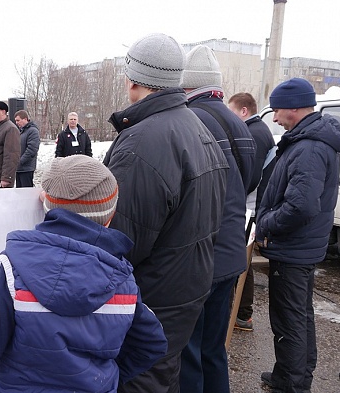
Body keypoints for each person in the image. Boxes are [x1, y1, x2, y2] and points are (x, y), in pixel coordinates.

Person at [0, 155, 168, 391]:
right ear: (110, 217)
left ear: (46, 206)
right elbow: (152, 345)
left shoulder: (12, 271)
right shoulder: (124, 283)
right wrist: (105, 379)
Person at [103, 33, 228, 393]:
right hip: (184, 289)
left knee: (140, 379)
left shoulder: (143, 141)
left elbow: (122, 241)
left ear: (133, 80)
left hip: (151, 296)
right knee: (164, 374)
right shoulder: (198, 129)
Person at [255, 78, 340, 393]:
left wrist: (266, 222)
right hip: (302, 246)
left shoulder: (308, 148)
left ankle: (292, 385)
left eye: (278, 110)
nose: (276, 118)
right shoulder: (310, 140)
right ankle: (291, 376)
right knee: (299, 316)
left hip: (293, 247)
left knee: (289, 321)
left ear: (294, 108)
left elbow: (302, 207)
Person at [179, 45, 256, 393]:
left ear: (186, 85)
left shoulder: (190, 120)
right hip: (229, 252)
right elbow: (247, 180)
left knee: (189, 352)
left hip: (201, 254)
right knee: (213, 349)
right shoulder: (237, 122)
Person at [228, 92, 277, 331]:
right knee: (242, 260)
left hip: (250, 209)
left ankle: (242, 314)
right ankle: (241, 314)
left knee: (241, 261)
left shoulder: (254, 133)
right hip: (253, 207)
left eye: (232, 111)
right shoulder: (258, 130)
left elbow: (251, 177)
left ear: (244, 111)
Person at [14, 110, 40, 188]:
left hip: (26, 168)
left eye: (18, 120)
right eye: (15, 121)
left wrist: (20, 161)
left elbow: (32, 149)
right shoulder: (21, 131)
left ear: (25, 119)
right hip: (19, 168)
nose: (16, 123)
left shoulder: (33, 131)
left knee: (26, 192)